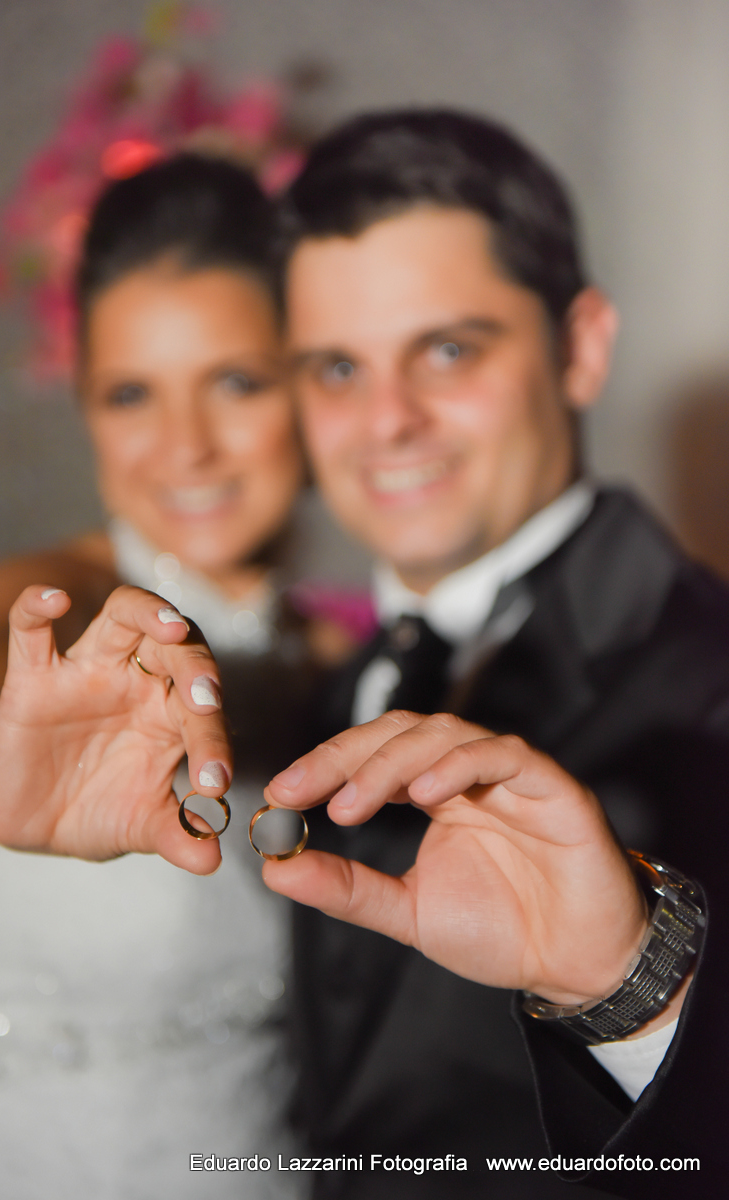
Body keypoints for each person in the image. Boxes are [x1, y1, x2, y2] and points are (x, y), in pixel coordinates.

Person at [251, 110, 729, 1198]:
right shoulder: (334, 686)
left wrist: (632, 994)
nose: (386, 421)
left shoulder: (710, 678)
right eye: (334, 369)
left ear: (580, 345)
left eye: (447, 350)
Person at [0, 153, 350, 1200]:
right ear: (84, 407)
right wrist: (10, 750)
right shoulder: (42, 595)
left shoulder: (350, 667)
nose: (185, 448)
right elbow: (9, 682)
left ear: (309, 380)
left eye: (234, 382)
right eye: (131, 395)